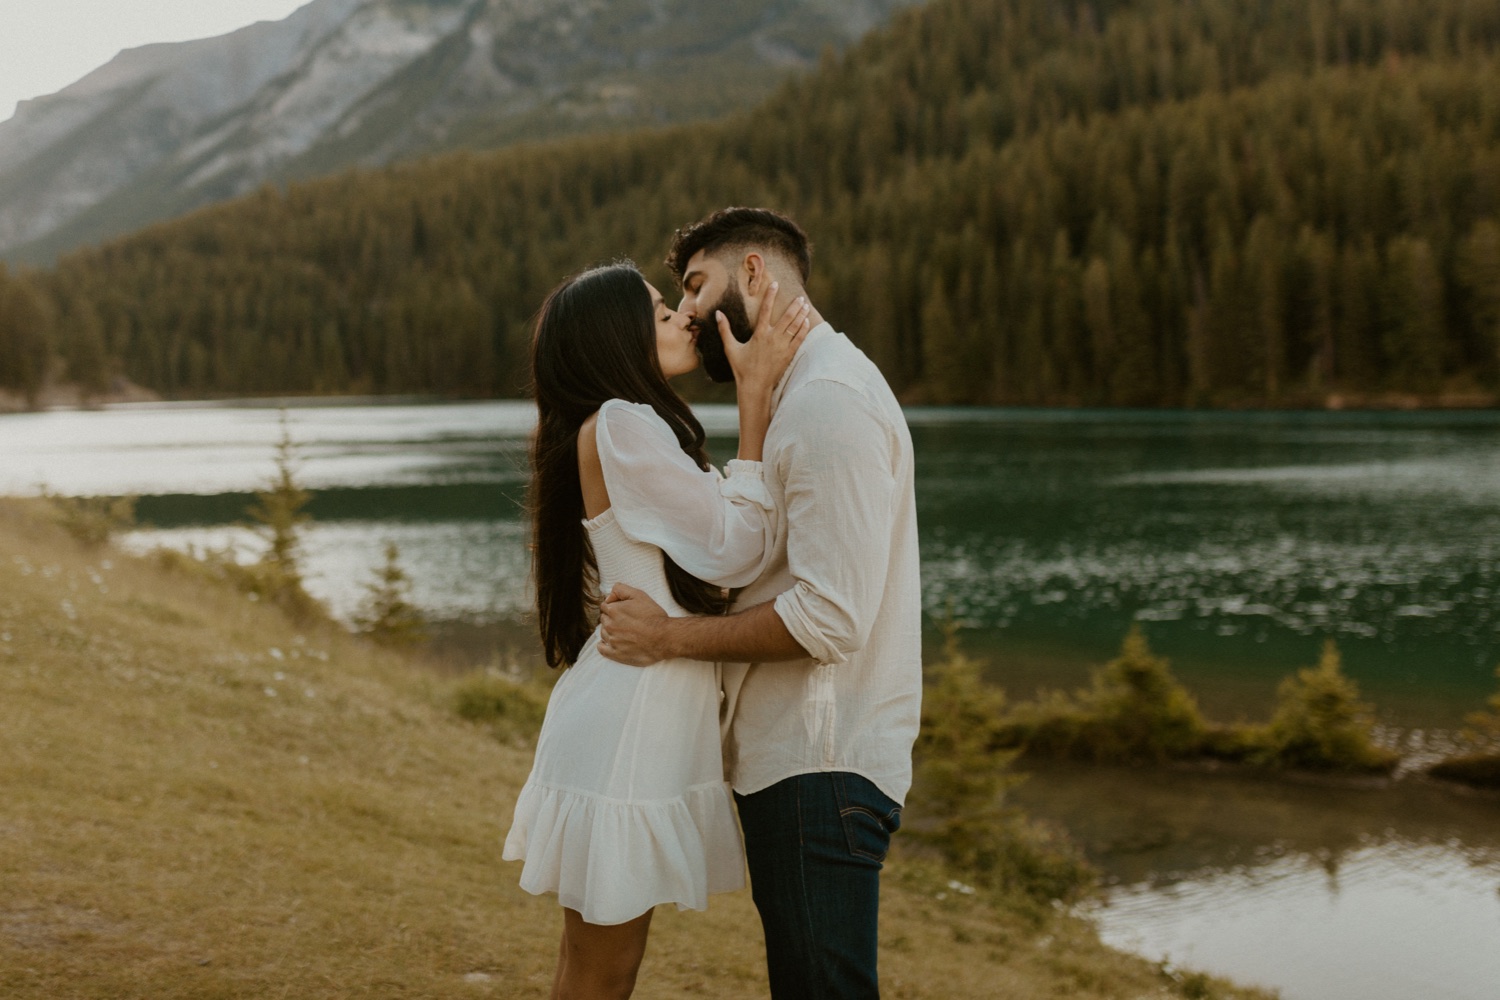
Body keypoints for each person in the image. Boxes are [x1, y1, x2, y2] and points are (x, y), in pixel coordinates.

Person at [598, 208, 923, 1000]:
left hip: (819, 764)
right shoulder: (796, 394)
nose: (690, 315)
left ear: (754, 276)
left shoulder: (827, 403)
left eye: (697, 287)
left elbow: (826, 620)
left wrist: (672, 637)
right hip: (802, 763)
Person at [502, 260, 812, 1000]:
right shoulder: (621, 423)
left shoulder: (613, 426)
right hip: (632, 721)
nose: (682, 315)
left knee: (588, 964)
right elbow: (738, 549)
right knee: (606, 970)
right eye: (655, 310)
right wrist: (755, 397)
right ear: (615, 338)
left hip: (624, 708)